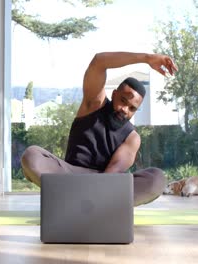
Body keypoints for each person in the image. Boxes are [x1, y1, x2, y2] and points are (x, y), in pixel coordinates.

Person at [21, 51, 178, 206]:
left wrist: (100, 190)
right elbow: (99, 61)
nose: (125, 109)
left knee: (157, 178)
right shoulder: (94, 104)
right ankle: (90, 202)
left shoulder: (132, 138)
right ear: (114, 94)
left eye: (132, 108)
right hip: (69, 176)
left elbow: (113, 172)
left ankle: (87, 201)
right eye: (123, 101)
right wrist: (146, 58)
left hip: (105, 182)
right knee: (32, 155)